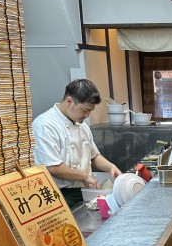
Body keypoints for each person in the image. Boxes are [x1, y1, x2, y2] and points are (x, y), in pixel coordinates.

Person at [32, 79, 121, 208]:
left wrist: (111, 167)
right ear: (69, 101)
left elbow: (94, 156)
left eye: (90, 111)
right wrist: (84, 176)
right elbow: (53, 167)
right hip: (59, 195)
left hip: (83, 192)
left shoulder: (82, 125)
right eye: (85, 110)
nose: (87, 115)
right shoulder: (45, 125)